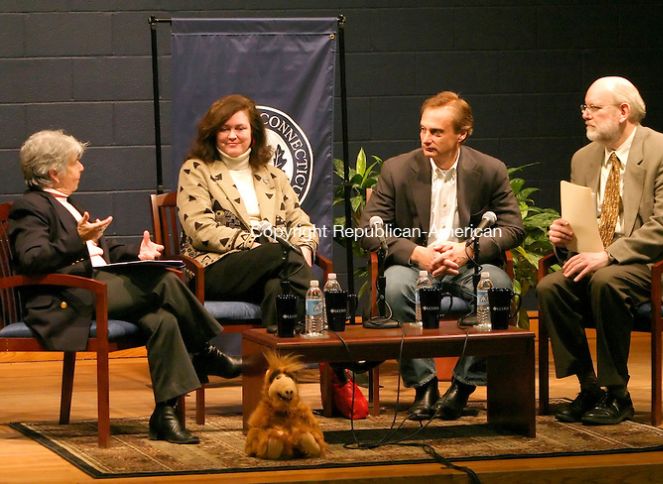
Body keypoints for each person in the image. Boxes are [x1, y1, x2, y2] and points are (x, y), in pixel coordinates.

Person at [9, 130, 242, 445]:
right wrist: (77, 239)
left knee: (164, 319)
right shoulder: (30, 207)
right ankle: (204, 351)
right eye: (75, 162)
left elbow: (98, 252)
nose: (81, 168)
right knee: (163, 281)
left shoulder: (67, 204)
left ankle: (165, 415)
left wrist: (137, 254)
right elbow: (32, 258)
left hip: (95, 288)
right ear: (54, 172)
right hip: (66, 300)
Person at [537, 76, 663, 425]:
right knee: (551, 288)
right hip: (603, 260)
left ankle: (618, 394)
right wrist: (565, 236)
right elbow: (584, 223)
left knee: (607, 280)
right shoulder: (584, 158)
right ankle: (588, 386)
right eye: (584, 108)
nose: (585, 115)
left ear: (623, 111)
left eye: (594, 108)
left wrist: (609, 254)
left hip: (661, 261)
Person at [177, 94, 368, 419]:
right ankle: (334, 362)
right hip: (216, 269)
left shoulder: (270, 173)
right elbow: (200, 230)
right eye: (224, 129)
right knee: (284, 257)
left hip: (271, 269)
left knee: (280, 292)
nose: (233, 135)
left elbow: (301, 221)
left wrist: (305, 246)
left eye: (240, 128)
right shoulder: (197, 170)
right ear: (212, 133)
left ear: (254, 132)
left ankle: (270, 393)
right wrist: (262, 246)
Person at [361, 91, 525, 420]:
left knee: (499, 288)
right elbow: (368, 229)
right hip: (416, 265)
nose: (426, 138)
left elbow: (512, 228)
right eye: (423, 129)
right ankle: (425, 386)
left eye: (436, 132)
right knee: (394, 288)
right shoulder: (398, 169)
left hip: (468, 264)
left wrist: (467, 251)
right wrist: (416, 253)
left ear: (461, 134)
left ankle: (463, 387)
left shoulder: (490, 169)